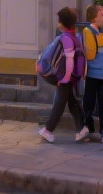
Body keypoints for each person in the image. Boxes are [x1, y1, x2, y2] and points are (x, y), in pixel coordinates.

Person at [39, 7, 87, 143]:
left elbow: (70, 62)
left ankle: (48, 130)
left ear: (62, 23)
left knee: (64, 103)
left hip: (66, 77)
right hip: (69, 77)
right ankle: (80, 128)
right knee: (68, 102)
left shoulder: (66, 38)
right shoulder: (73, 37)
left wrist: (64, 79)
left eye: (59, 21)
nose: (58, 23)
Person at [80, 4, 103, 144]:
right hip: (91, 75)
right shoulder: (87, 31)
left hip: (102, 76)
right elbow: (89, 54)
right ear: (94, 17)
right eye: (102, 14)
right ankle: (87, 127)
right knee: (88, 102)